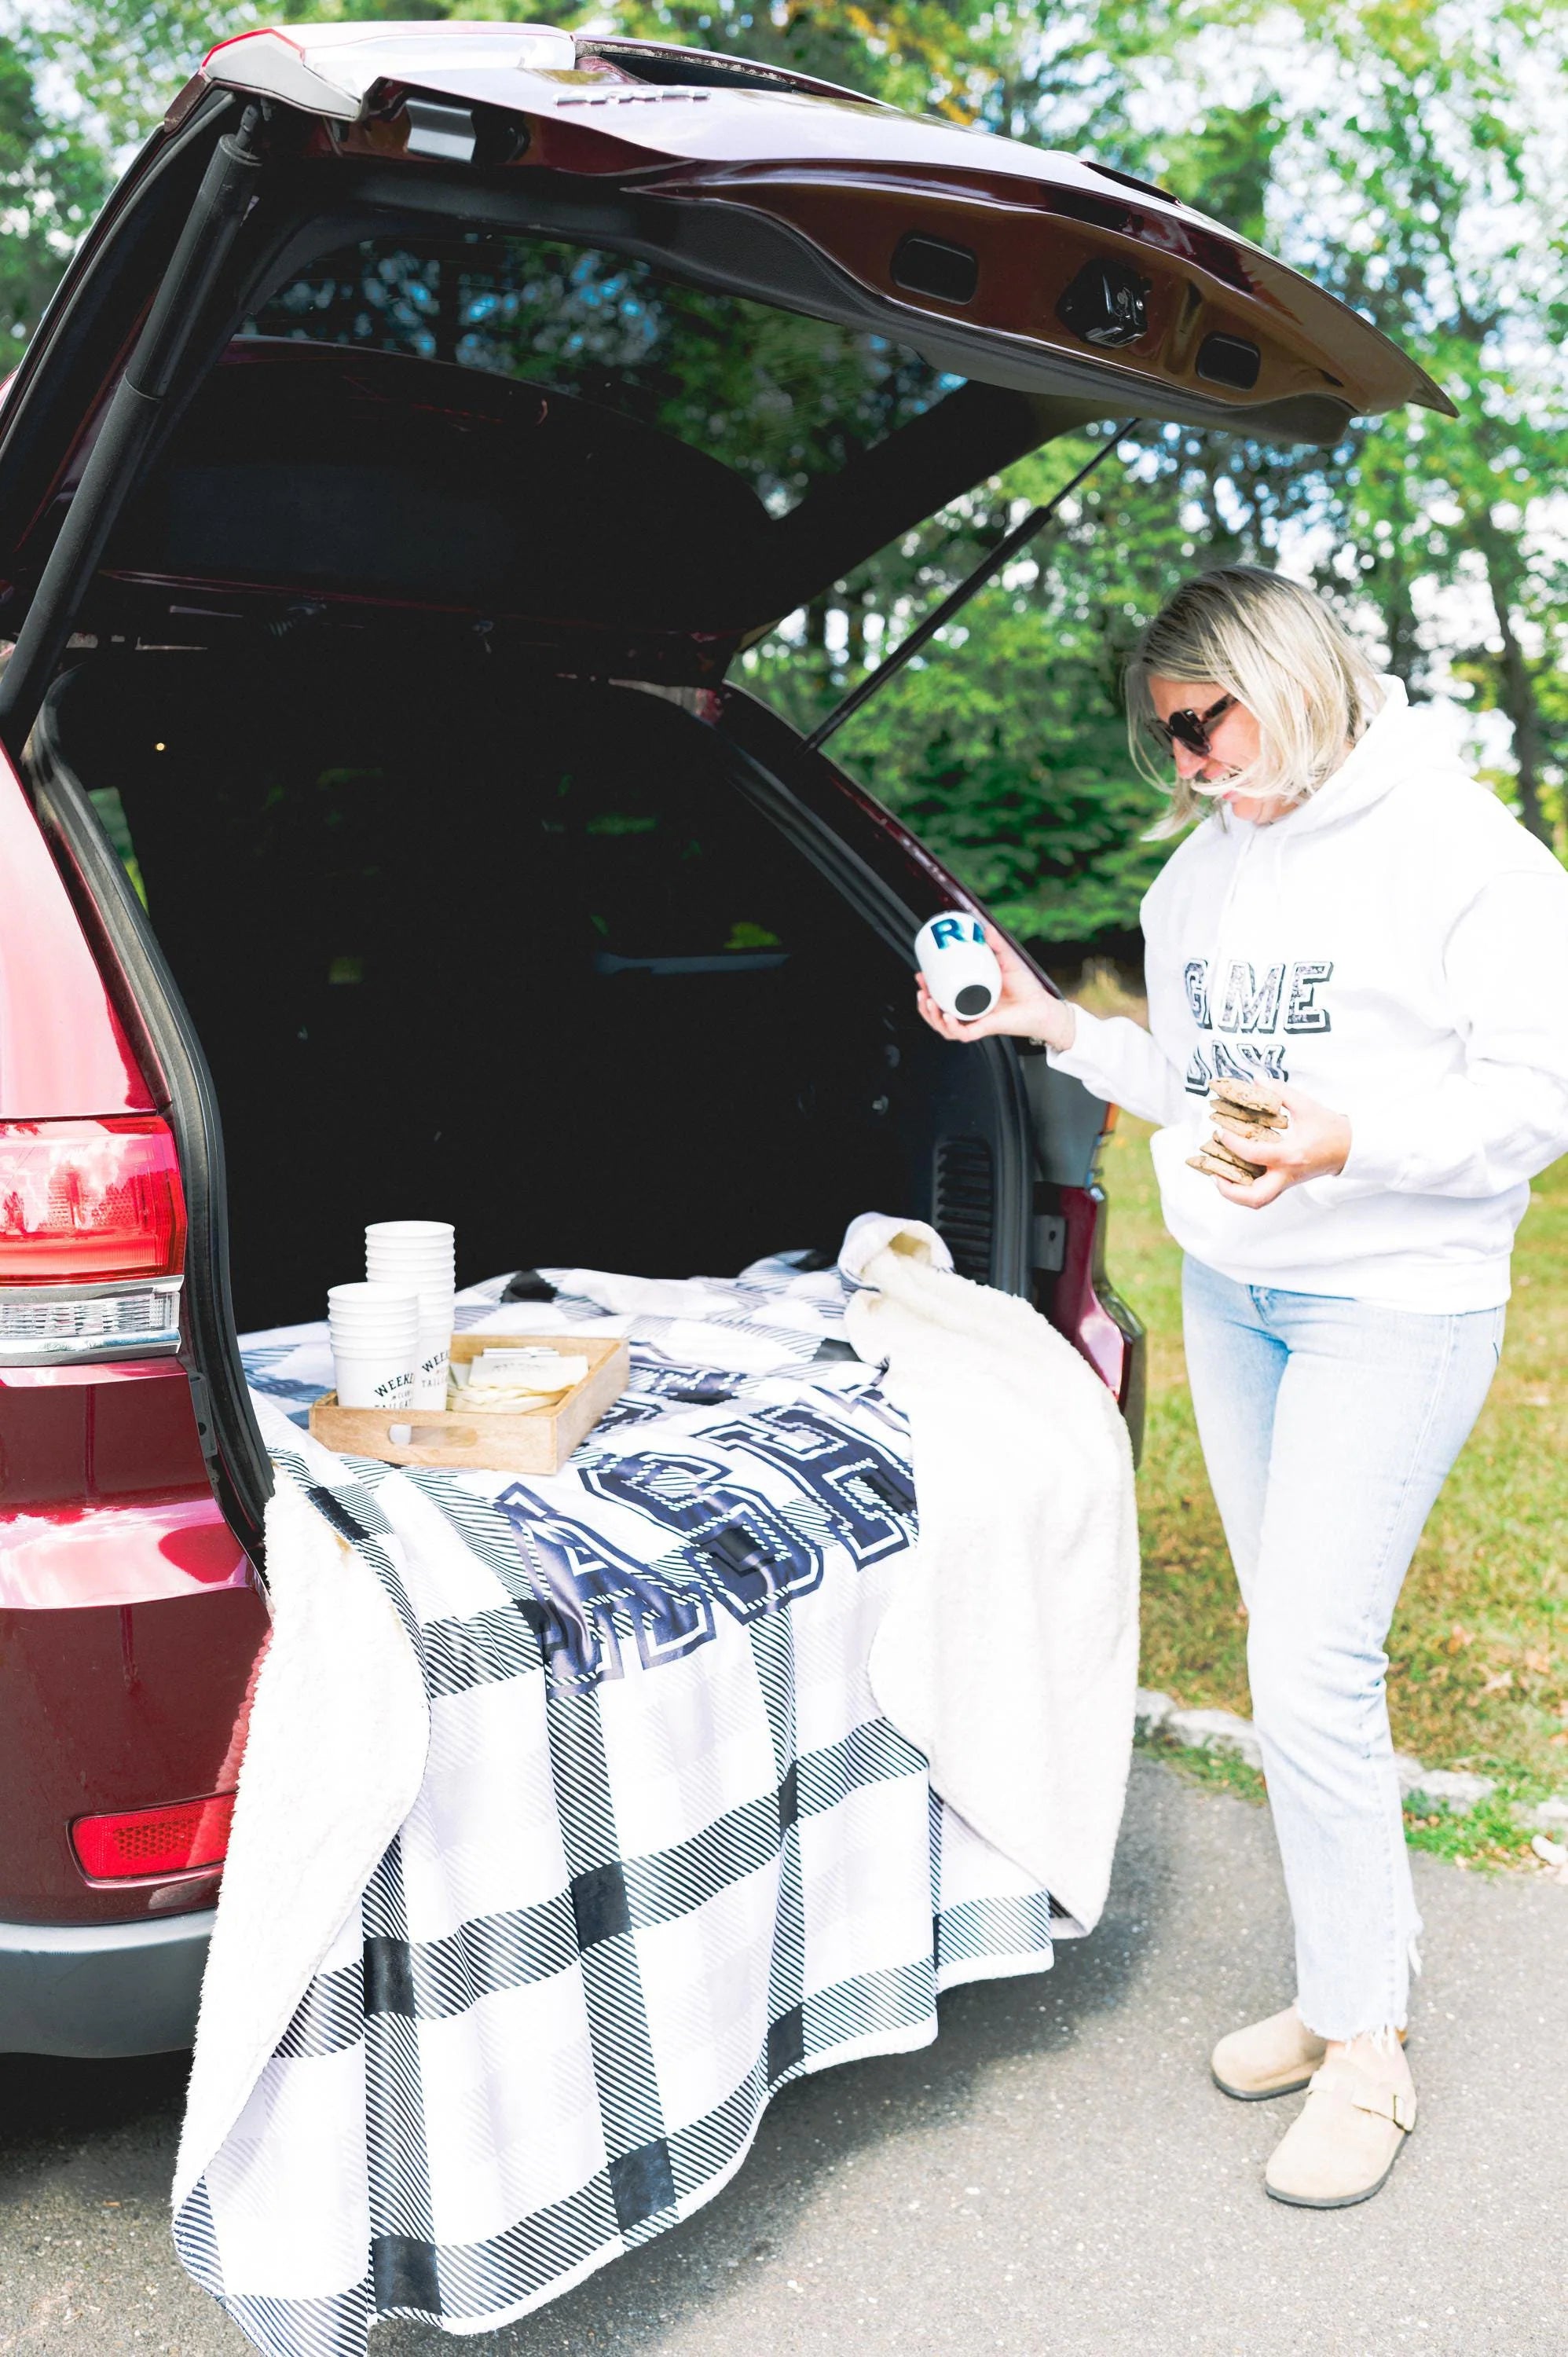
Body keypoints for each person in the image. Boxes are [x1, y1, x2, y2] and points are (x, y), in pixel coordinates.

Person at [916, 565, 1568, 2209]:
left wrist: (1351, 1138)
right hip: (1240, 1295)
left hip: (1388, 1305)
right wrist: (1046, 1020)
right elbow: (1184, 1079)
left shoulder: (1464, 854)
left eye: (1199, 725)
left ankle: (1365, 2053)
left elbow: (1534, 1097)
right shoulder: (1204, 875)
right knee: (1303, 1669)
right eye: (1168, 743)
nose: (1188, 766)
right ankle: (1356, 1978)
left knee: (1305, 1666)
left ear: (1279, 672)